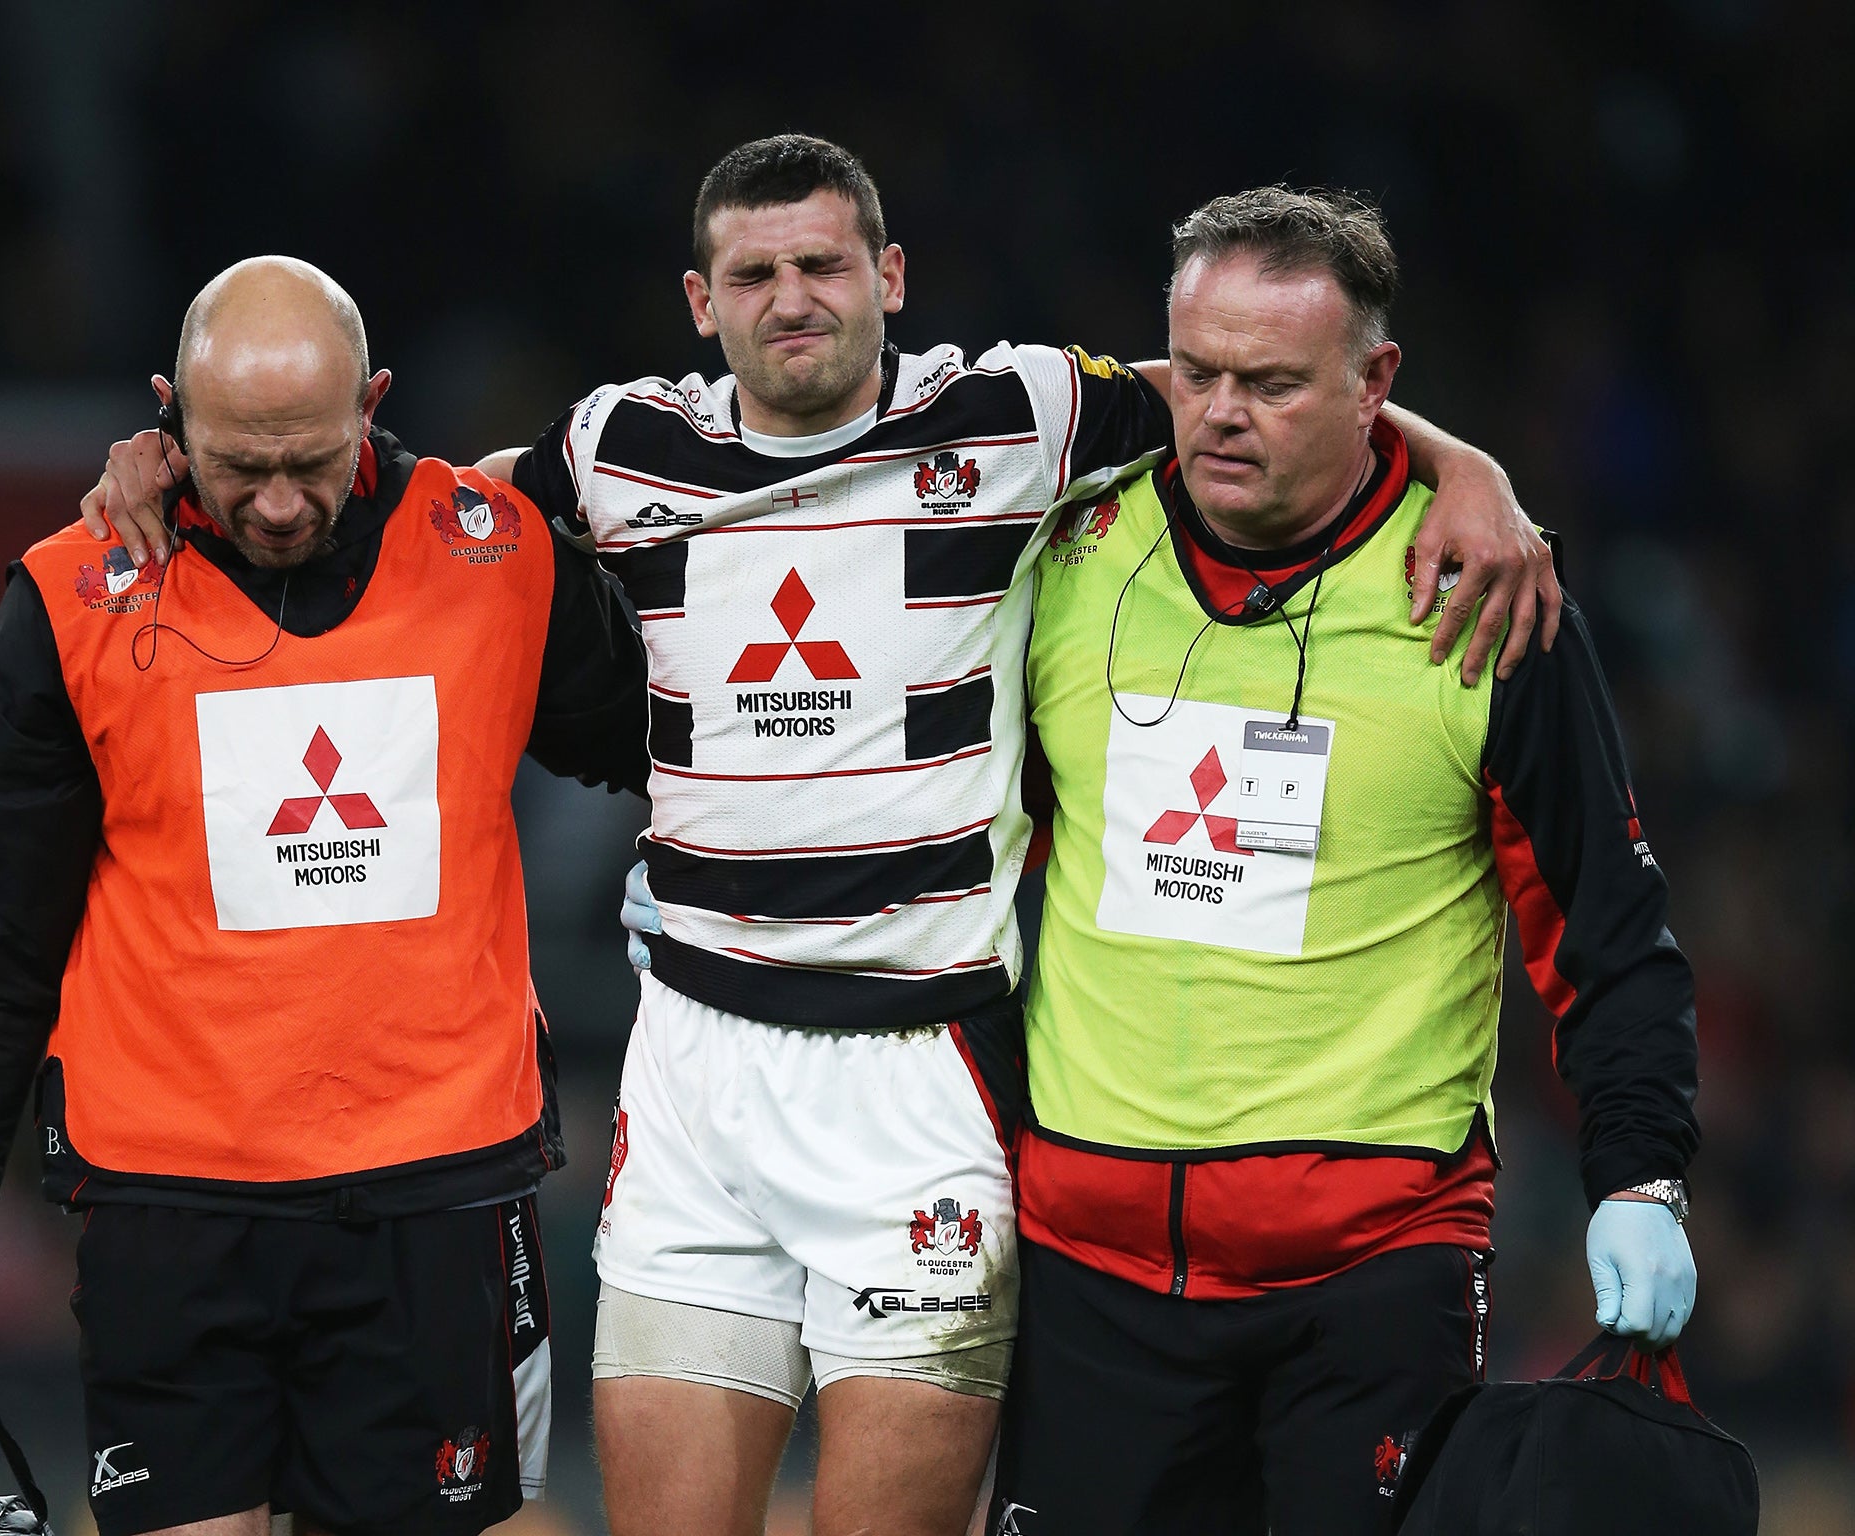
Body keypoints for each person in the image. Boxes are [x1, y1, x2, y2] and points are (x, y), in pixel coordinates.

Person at [84, 137, 1559, 1536]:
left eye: (825, 265)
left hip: (921, 1078)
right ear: (701, 302)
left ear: (891, 276)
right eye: (754, 273)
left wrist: (1465, 467)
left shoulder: (1021, 417)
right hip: (695, 1067)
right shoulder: (618, 449)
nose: (793, 297)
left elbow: (1253, 389)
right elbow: (381, 506)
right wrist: (165, 462)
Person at [976, 188, 1699, 1535]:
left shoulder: (1487, 604)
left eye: (1272, 383)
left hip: (1373, 1274)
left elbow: (1607, 933)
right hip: (1089, 1267)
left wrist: (1641, 1179)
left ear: (1376, 384)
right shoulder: (1065, 553)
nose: (1221, 413)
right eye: (1195, 372)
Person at [0, 257, 648, 1536]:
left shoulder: (500, 557)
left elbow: (658, 739)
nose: (283, 504)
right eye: (241, 466)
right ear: (167, 420)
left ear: (374, 404)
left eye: (311, 458)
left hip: (436, 1200)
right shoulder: (73, 599)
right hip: (170, 1214)